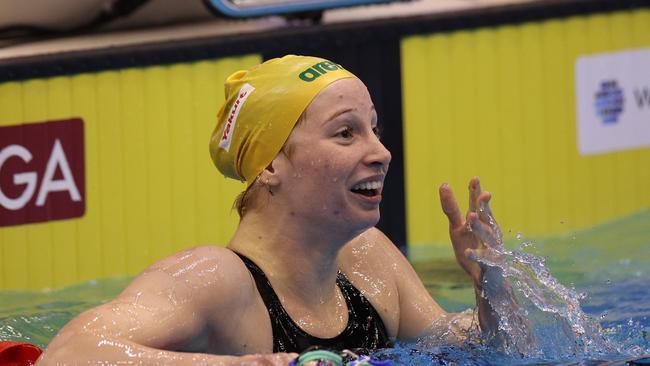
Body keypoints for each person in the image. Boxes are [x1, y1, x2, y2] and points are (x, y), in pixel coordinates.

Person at [39, 55, 506, 365]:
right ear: (270, 165)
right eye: (345, 133)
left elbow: (487, 354)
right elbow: (67, 354)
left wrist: (491, 288)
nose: (381, 152)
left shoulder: (369, 260)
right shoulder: (216, 279)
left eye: (374, 129)